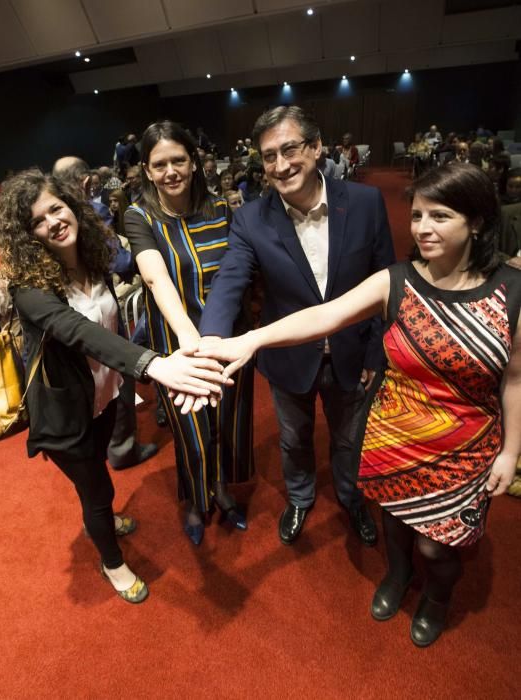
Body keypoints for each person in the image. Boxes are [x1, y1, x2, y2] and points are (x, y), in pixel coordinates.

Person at [201, 162, 521, 647]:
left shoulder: (512, 291)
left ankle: (435, 598)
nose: (423, 228)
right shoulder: (398, 280)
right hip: (396, 432)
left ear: (476, 221)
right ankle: (396, 575)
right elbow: (326, 316)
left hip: (467, 443)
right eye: (417, 216)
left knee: (438, 549)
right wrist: (252, 340)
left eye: (441, 216)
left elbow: (515, 379)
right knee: (393, 522)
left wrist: (511, 451)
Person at [0, 169, 228, 603]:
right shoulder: (31, 287)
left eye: (56, 209)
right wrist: (152, 365)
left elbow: (137, 276)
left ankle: (100, 511)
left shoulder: (92, 256)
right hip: (66, 415)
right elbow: (80, 331)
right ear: (28, 236)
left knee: (100, 469)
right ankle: (112, 562)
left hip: (102, 396)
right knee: (97, 492)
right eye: (38, 221)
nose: (53, 222)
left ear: (72, 206)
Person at [199, 105, 395, 547]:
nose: (281, 164)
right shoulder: (251, 218)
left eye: (290, 149)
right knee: (293, 439)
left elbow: (387, 281)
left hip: (353, 353)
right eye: (269, 156)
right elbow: (231, 277)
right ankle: (301, 498)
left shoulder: (365, 203)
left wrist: (374, 354)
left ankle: (350, 498)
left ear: (317, 146)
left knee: (349, 439)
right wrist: (211, 339)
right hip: (288, 358)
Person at [124, 120, 254, 546]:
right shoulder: (139, 215)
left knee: (229, 421)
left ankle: (221, 490)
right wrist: (189, 340)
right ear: (146, 170)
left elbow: (238, 275)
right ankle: (197, 501)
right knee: (193, 432)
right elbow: (157, 280)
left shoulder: (221, 209)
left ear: (194, 162)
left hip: (228, 339)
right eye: (159, 164)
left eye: (179, 160)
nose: (170, 171)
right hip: (179, 347)